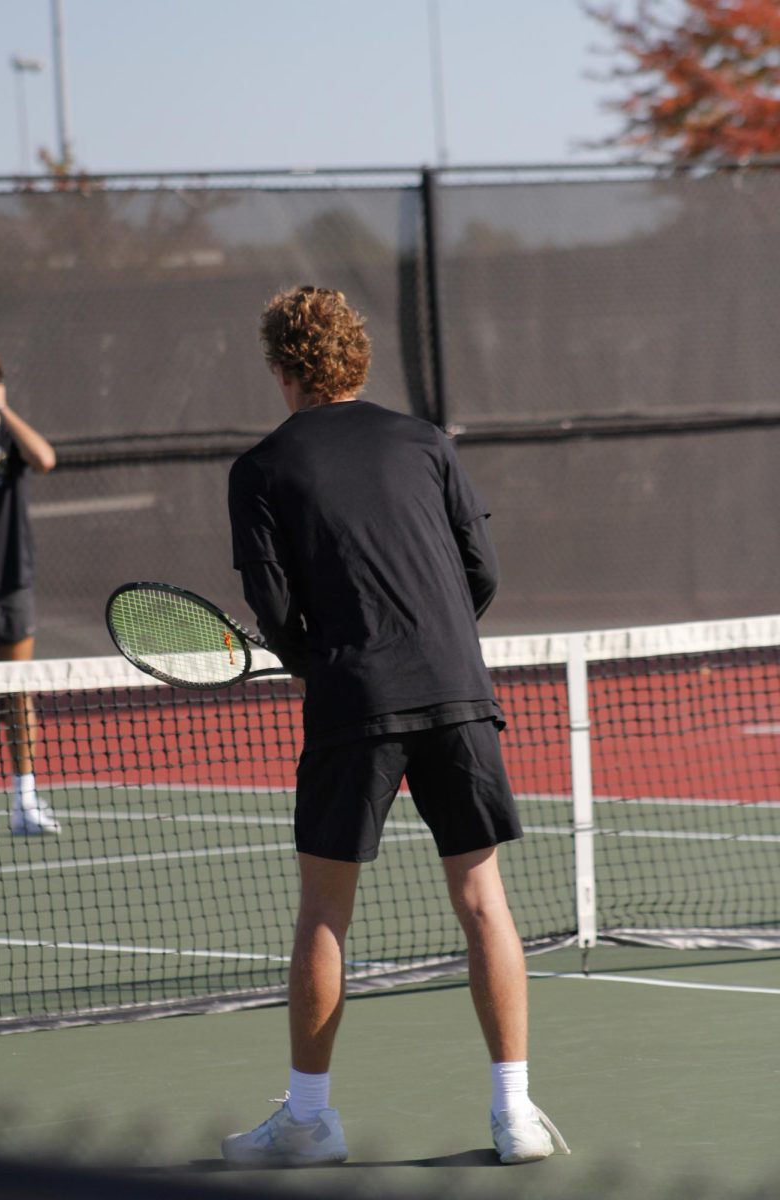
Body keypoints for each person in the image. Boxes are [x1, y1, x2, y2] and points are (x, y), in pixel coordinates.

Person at [223, 287, 569, 1167]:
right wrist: (437, 641)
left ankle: (308, 1122)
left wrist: (318, 659)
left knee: (324, 916)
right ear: (355, 358)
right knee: (485, 902)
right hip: (459, 689)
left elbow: (272, 608)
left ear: (280, 366)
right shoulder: (426, 443)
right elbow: (479, 572)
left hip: (354, 702)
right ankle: (516, 1115)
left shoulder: (260, 469)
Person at [0, 349, 60, 837]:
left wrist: (2, 407)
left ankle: (24, 801)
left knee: (18, 693)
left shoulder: (10, 436)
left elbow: (46, 458)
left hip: (12, 582)